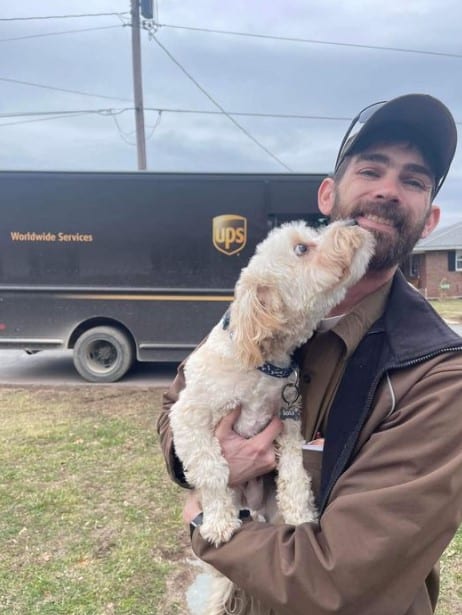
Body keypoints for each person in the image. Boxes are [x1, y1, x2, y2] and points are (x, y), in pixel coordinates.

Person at [157, 93, 462, 615]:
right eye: (371, 170)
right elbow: (176, 406)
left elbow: (342, 579)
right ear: (327, 195)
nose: (389, 190)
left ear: (429, 220)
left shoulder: (438, 376)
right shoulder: (263, 305)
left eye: (413, 181)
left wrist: (204, 525)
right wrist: (202, 466)